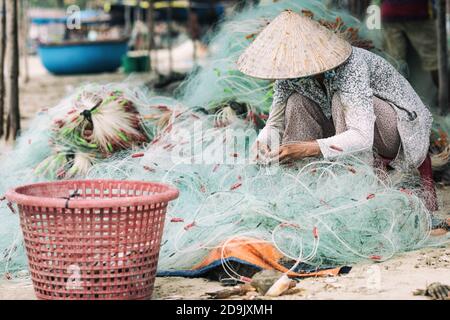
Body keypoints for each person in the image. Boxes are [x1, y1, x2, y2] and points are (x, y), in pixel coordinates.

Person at [237, 10, 433, 172]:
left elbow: (362, 138)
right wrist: (262, 142)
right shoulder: (288, 73)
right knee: (297, 102)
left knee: (340, 101)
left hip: (400, 135)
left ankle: (353, 175)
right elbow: (275, 122)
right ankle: (306, 175)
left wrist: (306, 148)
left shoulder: (352, 65)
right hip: (346, 131)